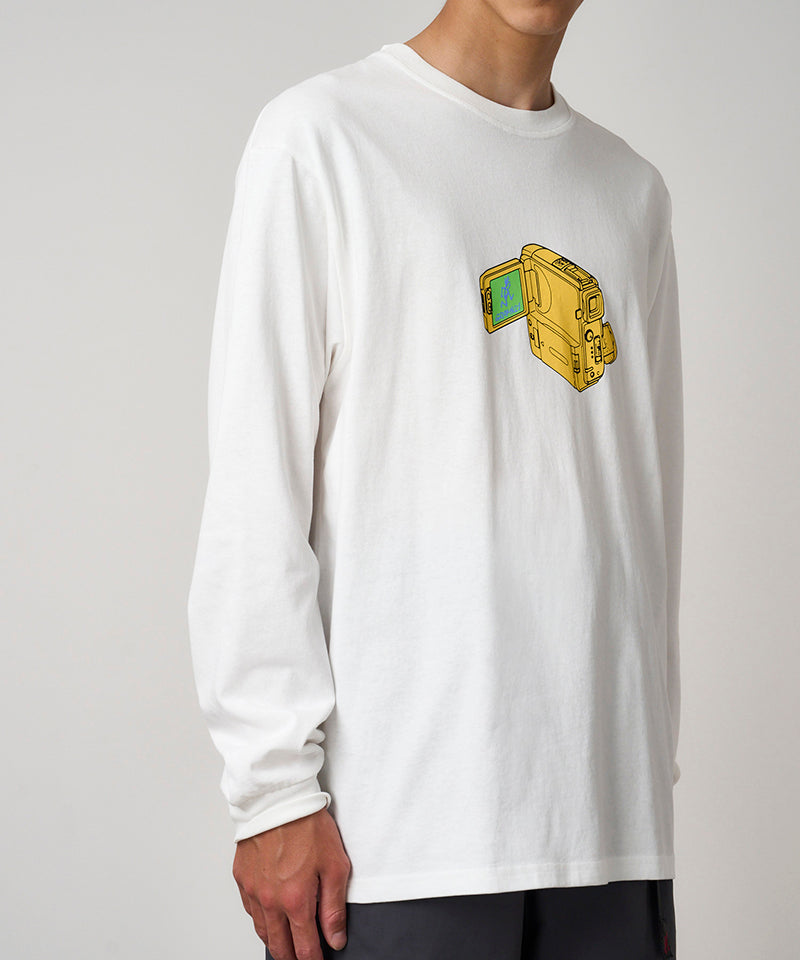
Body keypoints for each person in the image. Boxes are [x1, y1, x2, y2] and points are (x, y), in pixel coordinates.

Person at [187, 1, 685, 957]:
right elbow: (257, 487)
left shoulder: (632, 193)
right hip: (403, 842)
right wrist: (273, 790)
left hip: (612, 835)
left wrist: (648, 776)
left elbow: (648, 512)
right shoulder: (323, 138)